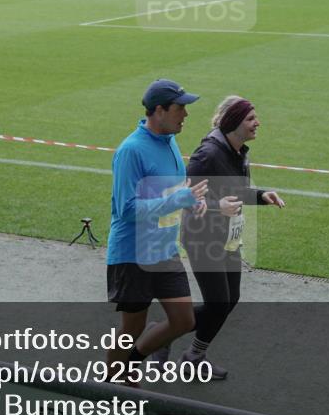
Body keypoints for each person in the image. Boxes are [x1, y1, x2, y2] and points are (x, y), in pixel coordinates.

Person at [106, 79, 209, 384]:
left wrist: (188, 203)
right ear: (159, 111)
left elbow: (171, 194)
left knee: (183, 320)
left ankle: (131, 361)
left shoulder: (170, 142)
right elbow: (125, 209)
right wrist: (177, 200)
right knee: (131, 328)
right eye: (180, 108)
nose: (186, 115)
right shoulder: (131, 151)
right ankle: (110, 388)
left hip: (164, 250)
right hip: (133, 253)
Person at [177, 96, 285, 380]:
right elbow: (185, 198)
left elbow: (236, 193)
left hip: (227, 238)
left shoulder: (239, 151)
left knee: (230, 299)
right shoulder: (208, 155)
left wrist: (261, 196)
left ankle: (187, 349)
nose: (257, 123)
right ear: (234, 123)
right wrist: (217, 207)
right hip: (202, 239)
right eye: (251, 119)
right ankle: (171, 337)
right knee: (218, 303)